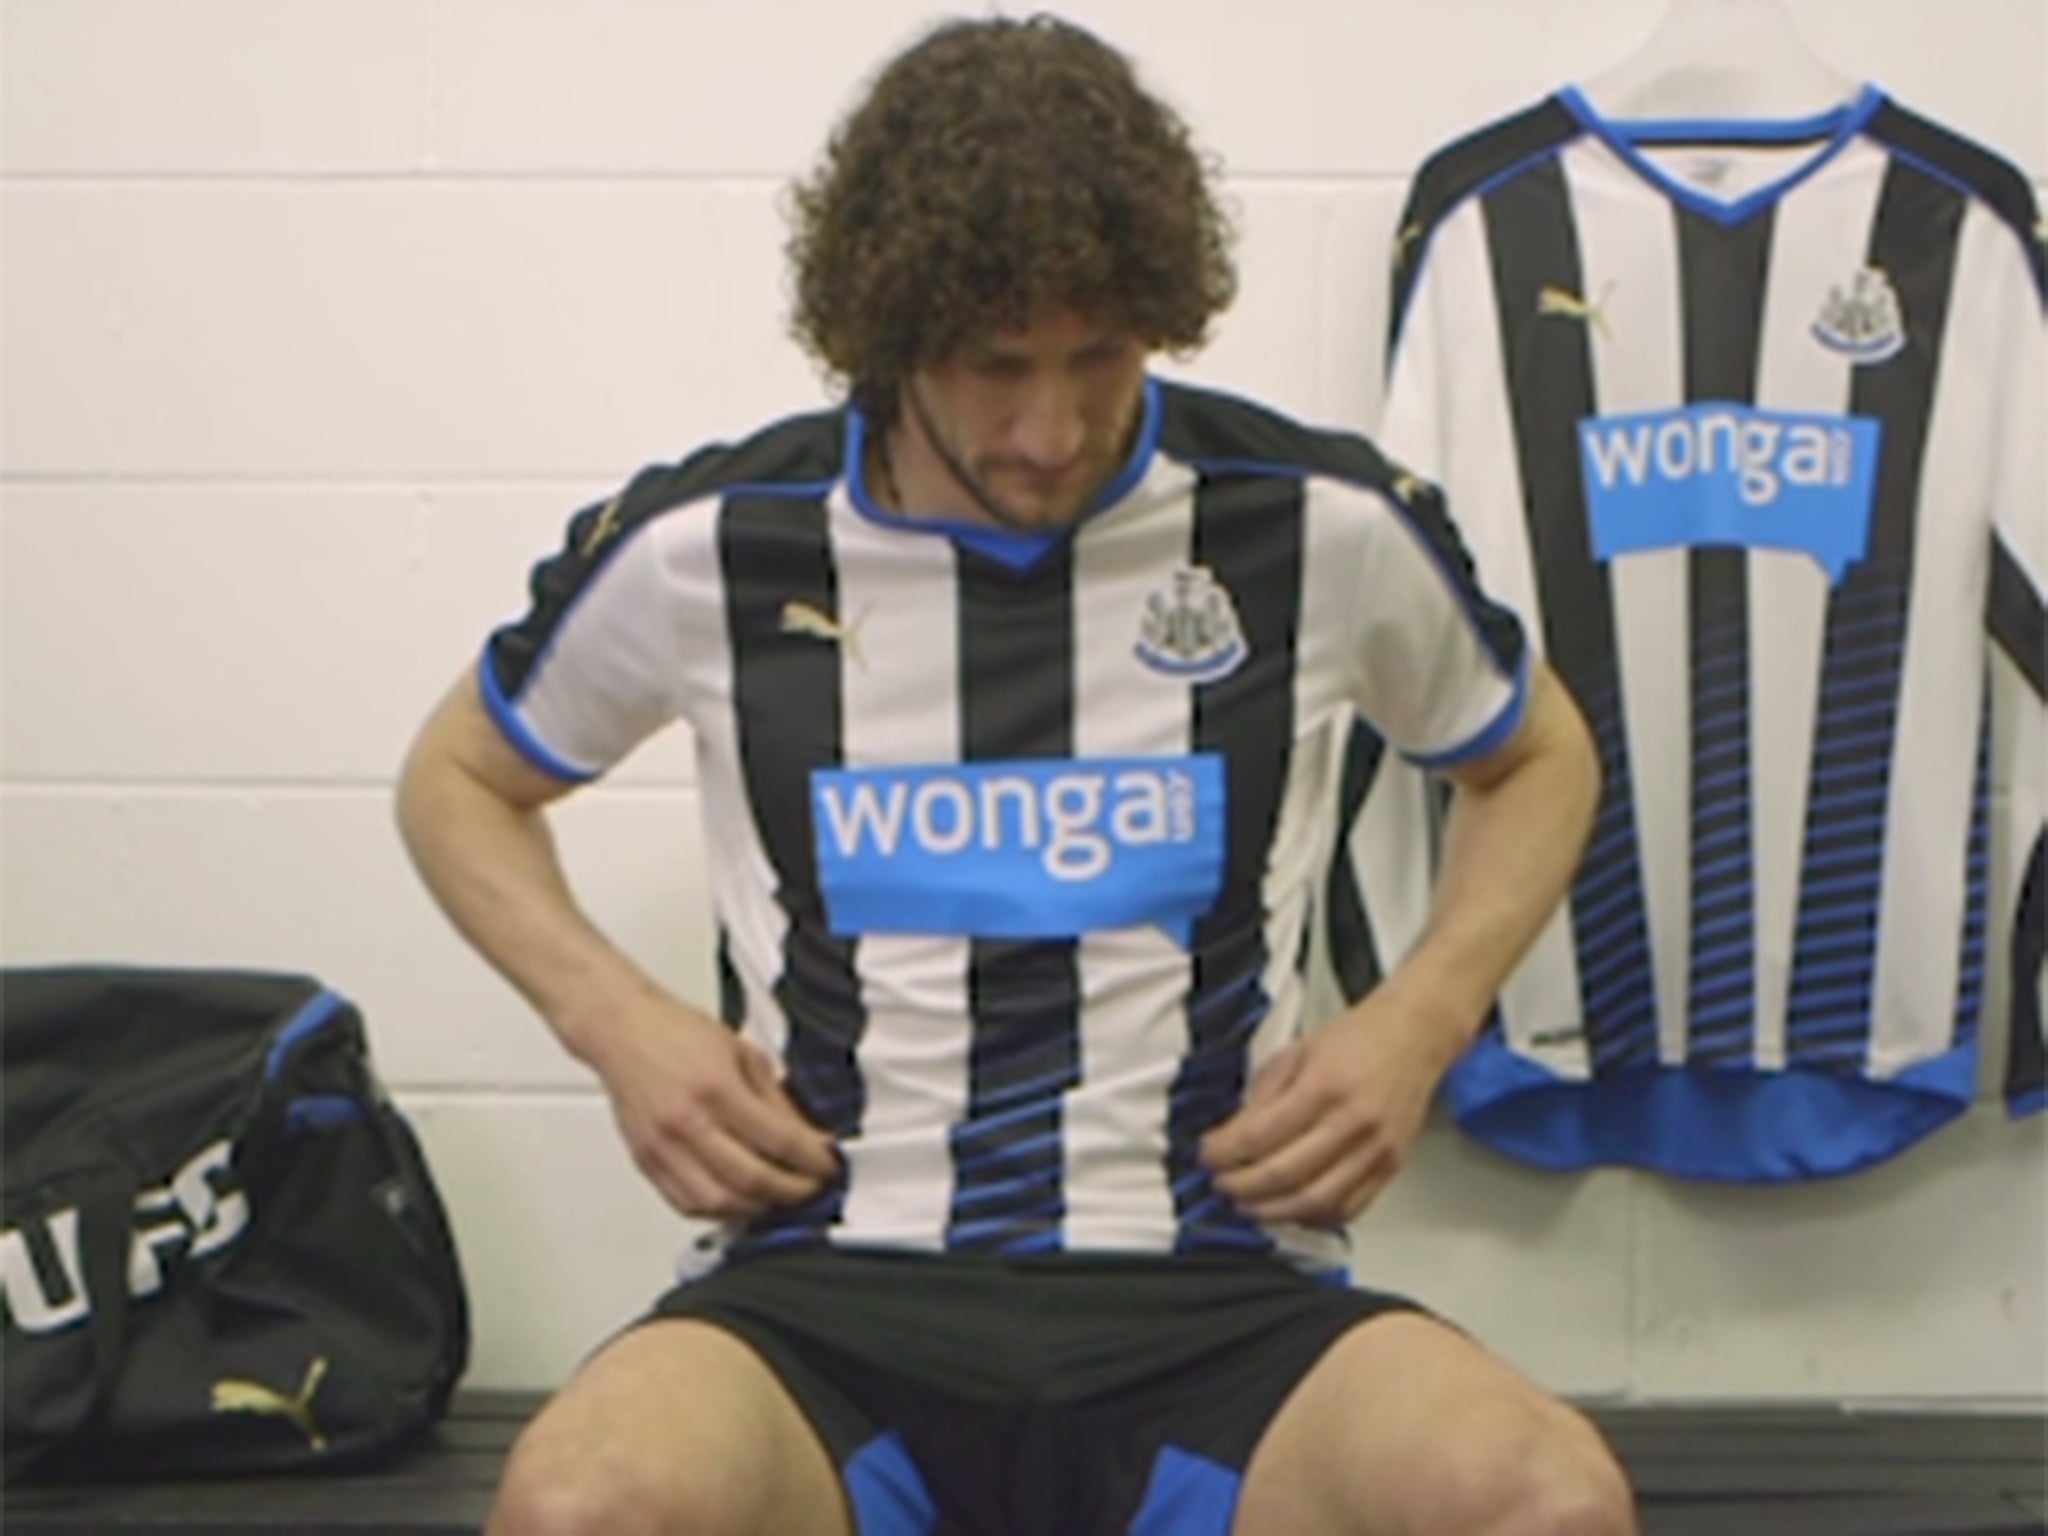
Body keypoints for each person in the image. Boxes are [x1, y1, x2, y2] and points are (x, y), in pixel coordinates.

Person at [394, 13, 1637, 1535]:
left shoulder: (1315, 527)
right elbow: (459, 775)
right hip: (823, 1305)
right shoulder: (716, 546)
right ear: (892, 329)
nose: (1051, 431)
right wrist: (614, 1020)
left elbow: (1539, 755)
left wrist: (1426, 1018)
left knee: (1547, 1502)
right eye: (994, 370)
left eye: (1098, 358)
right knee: (583, 1509)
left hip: (1220, 1300)